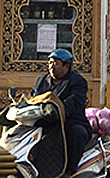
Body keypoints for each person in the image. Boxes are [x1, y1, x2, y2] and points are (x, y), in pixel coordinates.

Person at [31, 49, 92, 177]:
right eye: (50, 63)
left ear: (66, 66)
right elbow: (33, 98)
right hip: (45, 121)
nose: (51, 67)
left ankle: (69, 171)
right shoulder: (42, 80)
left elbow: (74, 102)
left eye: (56, 63)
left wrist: (58, 110)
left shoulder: (77, 81)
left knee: (77, 133)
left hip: (69, 122)